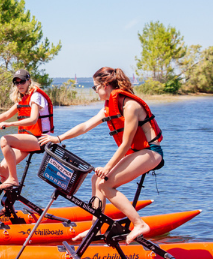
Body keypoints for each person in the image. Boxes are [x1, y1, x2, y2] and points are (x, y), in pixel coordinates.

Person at [38, 67, 163, 244]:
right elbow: (85, 126)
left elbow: (126, 144)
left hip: (151, 152)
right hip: (138, 153)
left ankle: (139, 224)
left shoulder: (130, 106)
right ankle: (95, 227)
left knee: (105, 184)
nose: (95, 91)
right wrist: (58, 138)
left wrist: (107, 167)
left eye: (95, 87)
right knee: (96, 180)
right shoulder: (109, 108)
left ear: (105, 85)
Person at [0, 69, 54, 190]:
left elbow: (33, 119)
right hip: (29, 138)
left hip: (40, 140)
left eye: (22, 82)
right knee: (3, 168)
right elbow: (6, 114)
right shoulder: (23, 98)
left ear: (29, 81)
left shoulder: (35, 96)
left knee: (5, 140)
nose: (19, 85)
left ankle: (14, 179)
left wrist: (10, 124)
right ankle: (8, 207)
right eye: (17, 83)